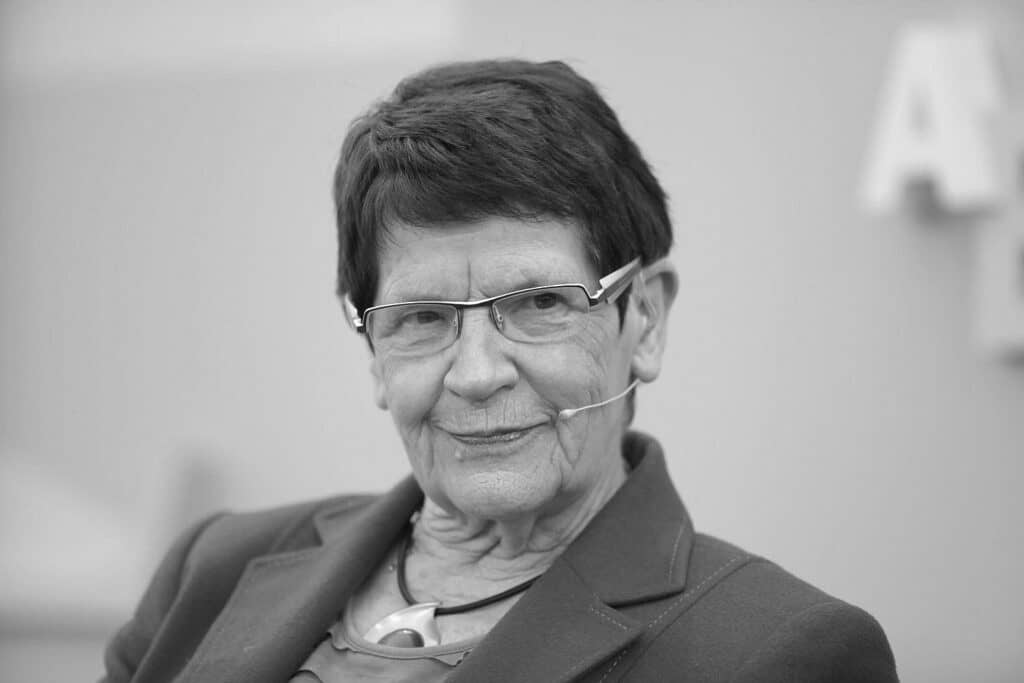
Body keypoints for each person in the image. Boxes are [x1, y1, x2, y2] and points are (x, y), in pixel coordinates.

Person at [102, 59, 899, 682]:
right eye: (422, 318)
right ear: (373, 350)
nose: (477, 374)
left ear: (646, 320)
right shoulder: (211, 571)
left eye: (540, 302)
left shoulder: (778, 653)